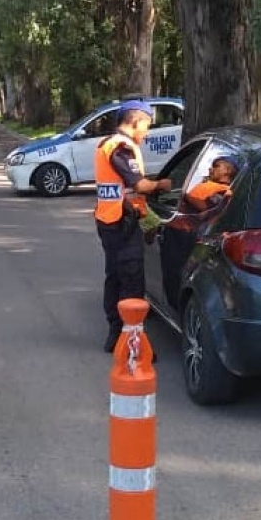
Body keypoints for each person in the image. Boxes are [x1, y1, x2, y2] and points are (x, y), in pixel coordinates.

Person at [94, 100, 172, 352]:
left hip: (111, 219)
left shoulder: (107, 144)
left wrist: (148, 220)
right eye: (146, 126)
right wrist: (161, 185)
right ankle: (129, 341)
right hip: (121, 224)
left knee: (115, 276)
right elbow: (138, 185)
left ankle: (117, 333)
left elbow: (127, 191)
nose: (147, 133)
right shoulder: (121, 148)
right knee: (130, 281)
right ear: (136, 121)